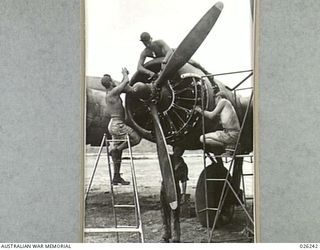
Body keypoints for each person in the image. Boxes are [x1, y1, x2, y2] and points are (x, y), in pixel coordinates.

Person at [101, 68, 141, 185]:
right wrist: (124, 74)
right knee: (136, 138)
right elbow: (125, 82)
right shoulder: (112, 93)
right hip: (117, 124)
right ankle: (115, 150)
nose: (114, 81)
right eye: (112, 80)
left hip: (113, 125)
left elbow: (124, 86)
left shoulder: (111, 93)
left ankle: (116, 176)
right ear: (110, 83)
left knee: (118, 153)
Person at [137, 32, 211, 79]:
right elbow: (139, 67)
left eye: (148, 41)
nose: (147, 44)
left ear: (151, 38)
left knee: (193, 62)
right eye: (144, 42)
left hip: (172, 56)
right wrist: (150, 72)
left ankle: (206, 72)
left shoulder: (160, 42)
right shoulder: (145, 52)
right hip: (163, 64)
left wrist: (164, 61)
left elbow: (169, 51)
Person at [160, 146, 189, 243]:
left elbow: (184, 181)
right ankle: (166, 234)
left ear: (182, 152)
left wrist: (184, 194)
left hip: (176, 188)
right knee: (165, 212)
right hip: (165, 187)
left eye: (180, 151)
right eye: (176, 150)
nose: (178, 152)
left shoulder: (183, 165)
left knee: (176, 213)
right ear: (173, 150)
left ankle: (176, 236)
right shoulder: (168, 159)